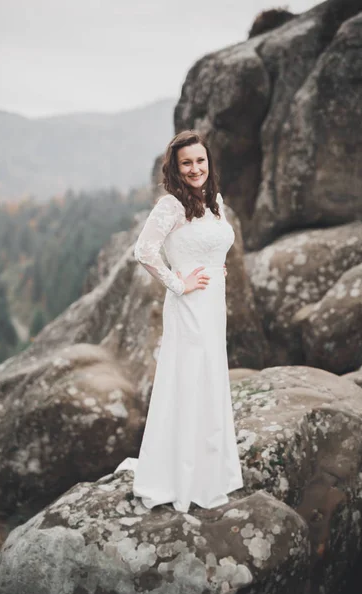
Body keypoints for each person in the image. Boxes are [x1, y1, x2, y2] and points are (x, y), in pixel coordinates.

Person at [115, 129, 243, 512]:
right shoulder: (170, 206)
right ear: (175, 167)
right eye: (186, 162)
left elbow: (214, 244)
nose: (195, 168)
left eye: (200, 160)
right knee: (188, 380)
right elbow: (144, 250)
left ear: (208, 162)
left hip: (212, 306)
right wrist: (177, 282)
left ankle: (210, 473)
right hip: (188, 307)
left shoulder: (213, 200)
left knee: (209, 378)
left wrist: (219, 269)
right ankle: (182, 477)